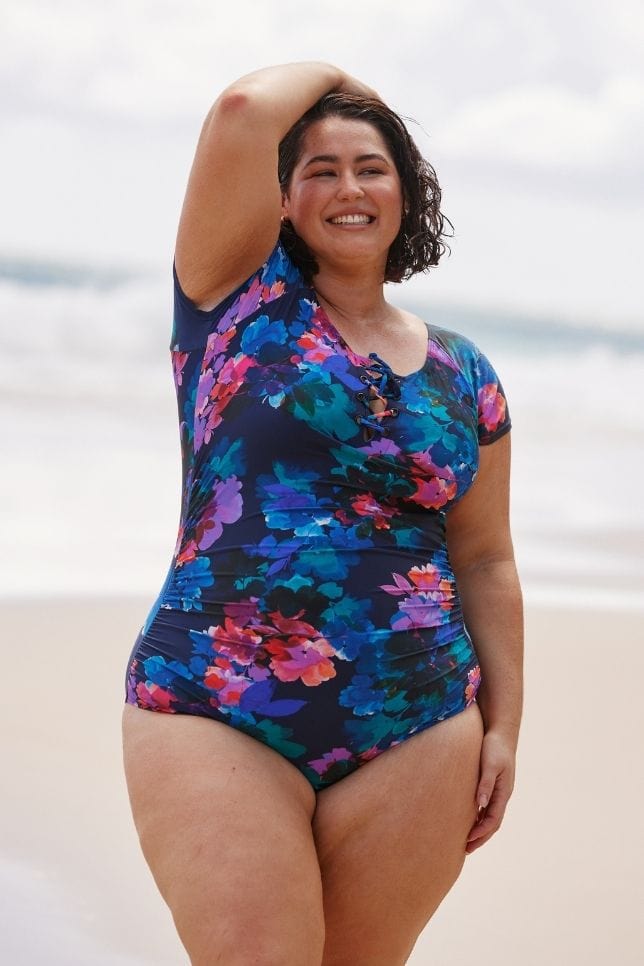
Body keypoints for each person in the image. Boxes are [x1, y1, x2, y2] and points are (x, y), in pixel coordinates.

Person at [121, 61, 523, 966]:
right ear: (282, 201)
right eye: (321, 169)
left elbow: (488, 559)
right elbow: (240, 109)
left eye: (372, 166)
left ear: (407, 192)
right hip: (212, 700)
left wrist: (503, 728)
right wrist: (354, 86)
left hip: (418, 723)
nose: (349, 187)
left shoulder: (468, 376)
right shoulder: (230, 301)